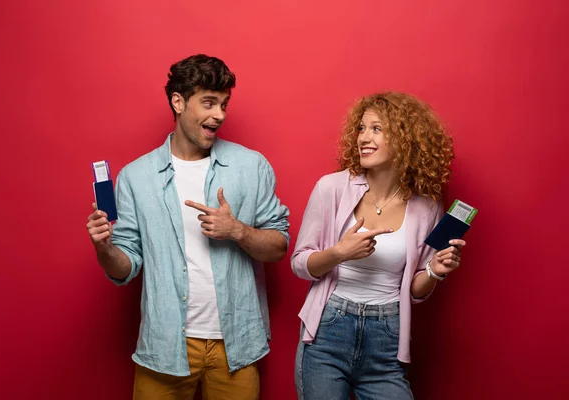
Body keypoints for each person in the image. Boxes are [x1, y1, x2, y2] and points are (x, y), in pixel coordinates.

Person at [86, 54, 290, 400]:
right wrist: (104, 248)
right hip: (165, 345)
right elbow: (126, 267)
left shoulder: (251, 167)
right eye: (209, 103)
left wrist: (236, 230)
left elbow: (279, 246)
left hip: (236, 346)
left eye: (224, 104)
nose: (220, 115)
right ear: (178, 102)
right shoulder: (136, 177)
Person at [291, 92, 466, 400]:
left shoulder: (427, 208)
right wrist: (339, 253)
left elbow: (415, 291)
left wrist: (435, 271)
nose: (363, 138)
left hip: (386, 338)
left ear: (405, 139)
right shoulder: (331, 188)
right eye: (361, 128)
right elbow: (300, 263)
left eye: (377, 129)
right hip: (328, 331)